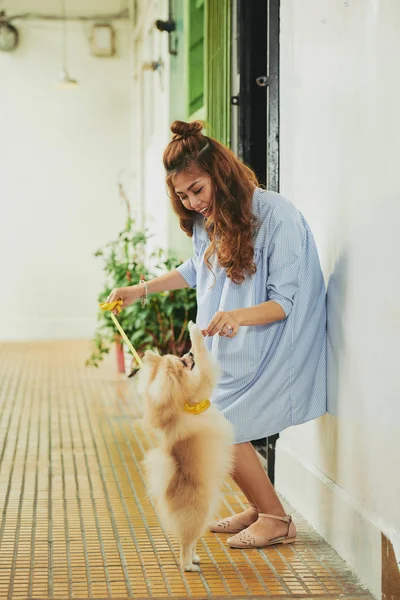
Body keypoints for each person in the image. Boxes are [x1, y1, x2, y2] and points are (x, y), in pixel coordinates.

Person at [107, 120, 327, 549]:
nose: (192, 202)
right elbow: (196, 269)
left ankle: (277, 519)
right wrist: (141, 289)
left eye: (197, 190)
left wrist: (236, 318)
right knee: (205, 416)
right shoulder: (210, 218)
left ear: (220, 174)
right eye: (183, 195)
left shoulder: (277, 215)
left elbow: (285, 303)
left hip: (274, 336)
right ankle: (261, 505)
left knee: (216, 422)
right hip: (234, 338)